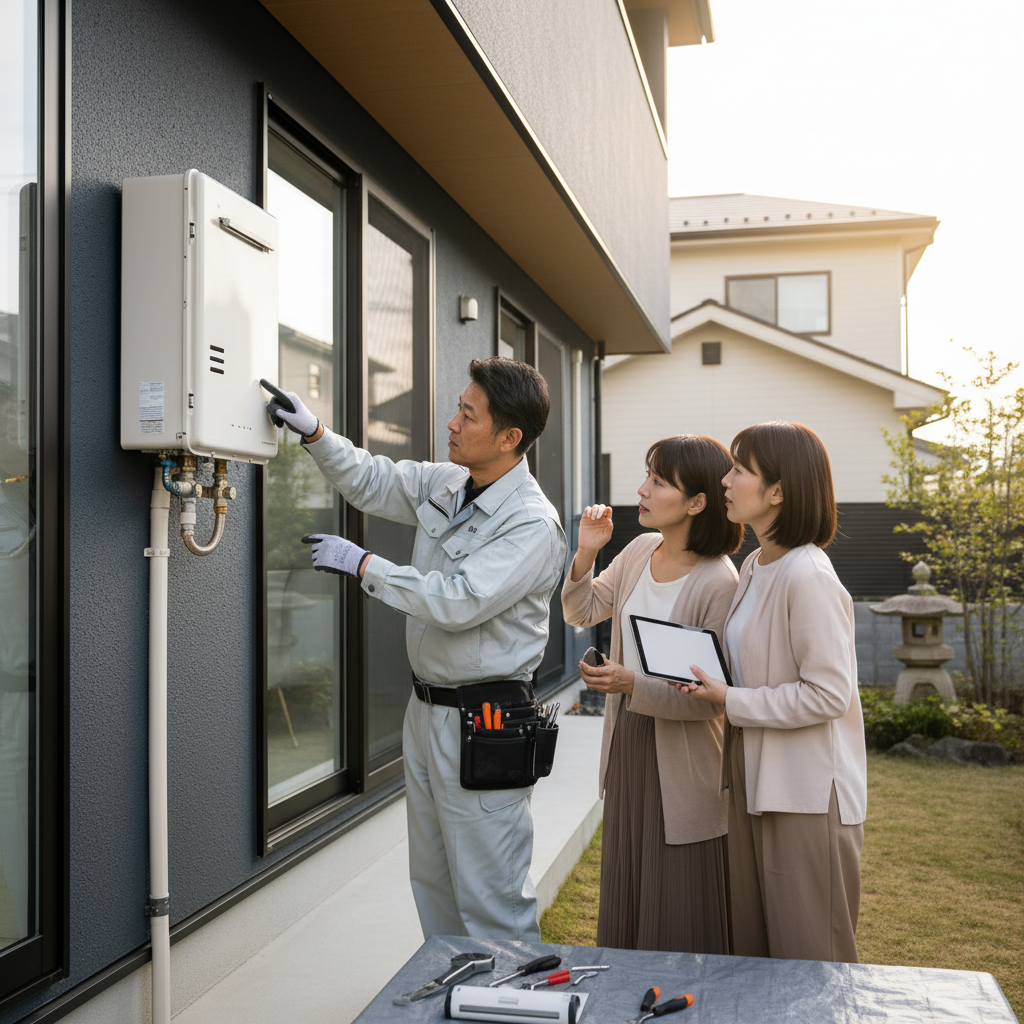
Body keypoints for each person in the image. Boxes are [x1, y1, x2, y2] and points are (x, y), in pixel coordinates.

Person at [266, 357, 567, 941]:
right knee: (432, 881)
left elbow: (460, 600)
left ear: (509, 439)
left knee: (490, 895)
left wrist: (365, 565)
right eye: (459, 407)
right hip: (426, 711)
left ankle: (507, 1003)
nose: (451, 423)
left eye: (467, 414)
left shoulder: (531, 523)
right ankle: (457, 993)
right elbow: (374, 479)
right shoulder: (451, 482)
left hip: (486, 721)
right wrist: (316, 435)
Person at [680, 421, 867, 963]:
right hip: (755, 783)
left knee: (812, 960)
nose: (725, 481)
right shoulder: (757, 565)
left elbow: (829, 694)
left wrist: (729, 700)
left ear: (778, 491)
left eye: (740, 470)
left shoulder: (808, 576)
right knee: (759, 956)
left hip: (805, 795)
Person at [561, 434, 741, 954]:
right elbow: (581, 612)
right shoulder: (641, 549)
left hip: (683, 759)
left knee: (678, 896)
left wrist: (629, 683)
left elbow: (710, 698)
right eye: (647, 476)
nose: (641, 489)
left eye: (658, 481)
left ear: (697, 502)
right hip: (628, 740)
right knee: (629, 883)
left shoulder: (719, 582)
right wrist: (587, 552)